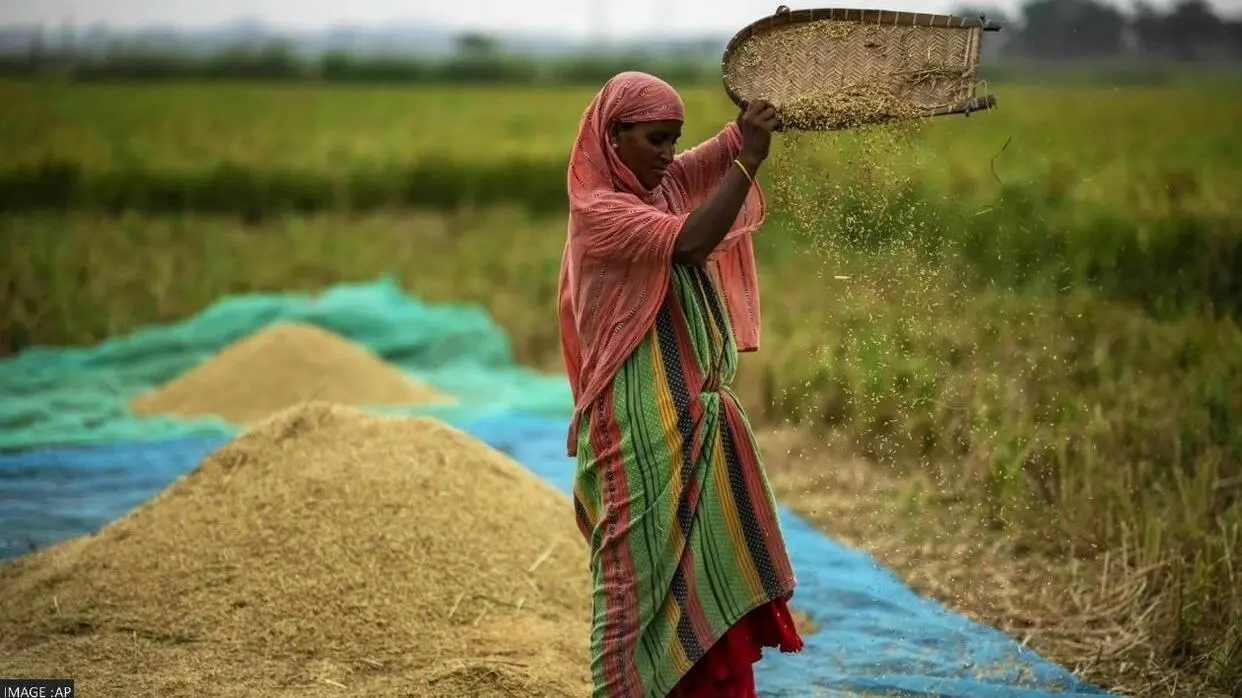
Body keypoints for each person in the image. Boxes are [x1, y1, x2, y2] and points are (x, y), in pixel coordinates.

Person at [557, 70, 802, 698]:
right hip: (635, 427)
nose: (669, 155)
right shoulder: (603, 213)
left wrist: (768, 97)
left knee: (699, 566)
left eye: (675, 140)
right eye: (656, 140)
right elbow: (693, 242)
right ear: (615, 139)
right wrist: (748, 159)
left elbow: (721, 152)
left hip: (688, 413)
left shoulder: (659, 187)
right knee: (631, 582)